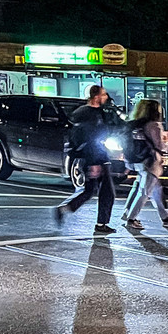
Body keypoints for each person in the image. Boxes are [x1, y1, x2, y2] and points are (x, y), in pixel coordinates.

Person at [53, 84, 116, 234]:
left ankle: (65, 209)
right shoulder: (87, 115)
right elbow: (88, 139)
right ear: (96, 97)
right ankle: (100, 223)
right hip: (93, 157)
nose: (106, 97)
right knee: (105, 192)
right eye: (104, 94)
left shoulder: (95, 112)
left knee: (91, 191)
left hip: (97, 155)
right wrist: (93, 163)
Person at [121, 99, 168, 232]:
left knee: (155, 189)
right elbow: (160, 146)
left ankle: (165, 216)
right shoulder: (154, 125)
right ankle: (131, 218)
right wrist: (166, 139)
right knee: (145, 191)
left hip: (138, 161)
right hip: (150, 162)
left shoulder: (136, 124)